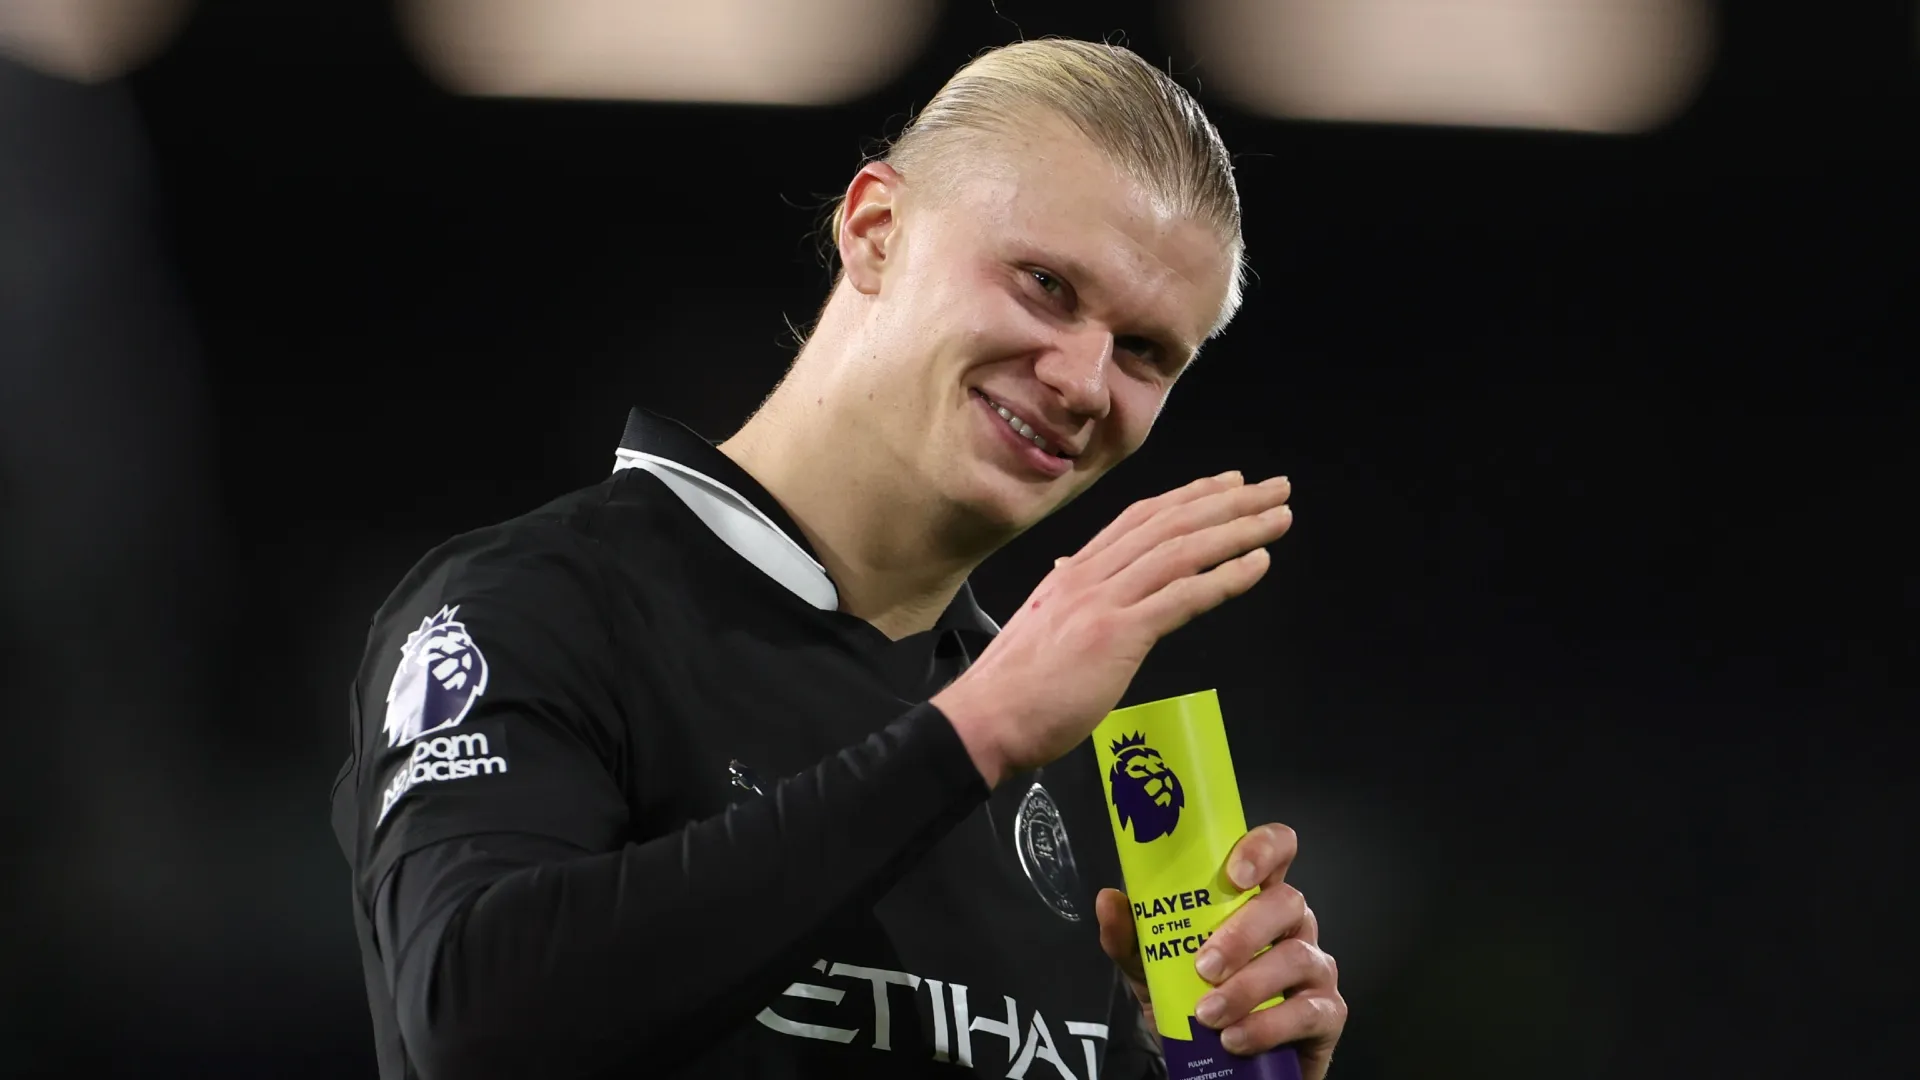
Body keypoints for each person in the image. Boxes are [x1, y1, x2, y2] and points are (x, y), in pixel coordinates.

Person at [331, 38, 1347, 1080]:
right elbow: (473, 1023)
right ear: (874, 231)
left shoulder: (1070, 757)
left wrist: (1217, 1064)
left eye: (1144, 352)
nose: (1086, 382)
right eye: (1045, 284)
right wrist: (972, 736)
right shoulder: (532, 606)